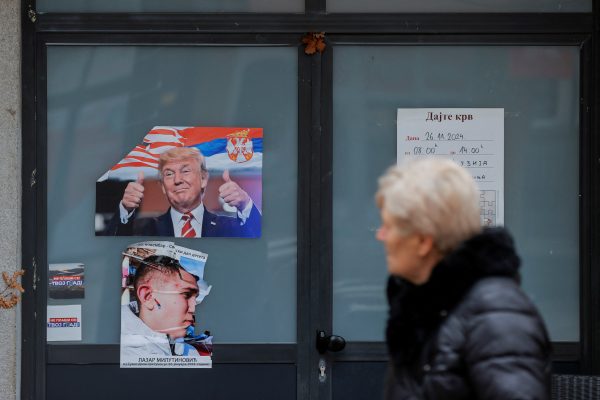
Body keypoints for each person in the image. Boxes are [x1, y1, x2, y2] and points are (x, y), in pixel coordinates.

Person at [376, 158, 551, 400]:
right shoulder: (424, 306)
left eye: (388, 226)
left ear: (423, 241)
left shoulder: (497, 314)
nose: (381, 236)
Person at [105, 146, 261, 237]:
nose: (177, 180)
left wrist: (245, 203)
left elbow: (261, 243)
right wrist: (125, 209)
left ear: (204, 179)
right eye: (169, 174)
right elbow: (108, 247)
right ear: (162, 186)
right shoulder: (141, 229)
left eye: (185, 171)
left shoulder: (230, 227)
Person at [121, 255, 211, 359]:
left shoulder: (190, 352)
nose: (193, 309)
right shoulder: (121, 352)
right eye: (186, 294)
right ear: (148, 296)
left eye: (195, 298)